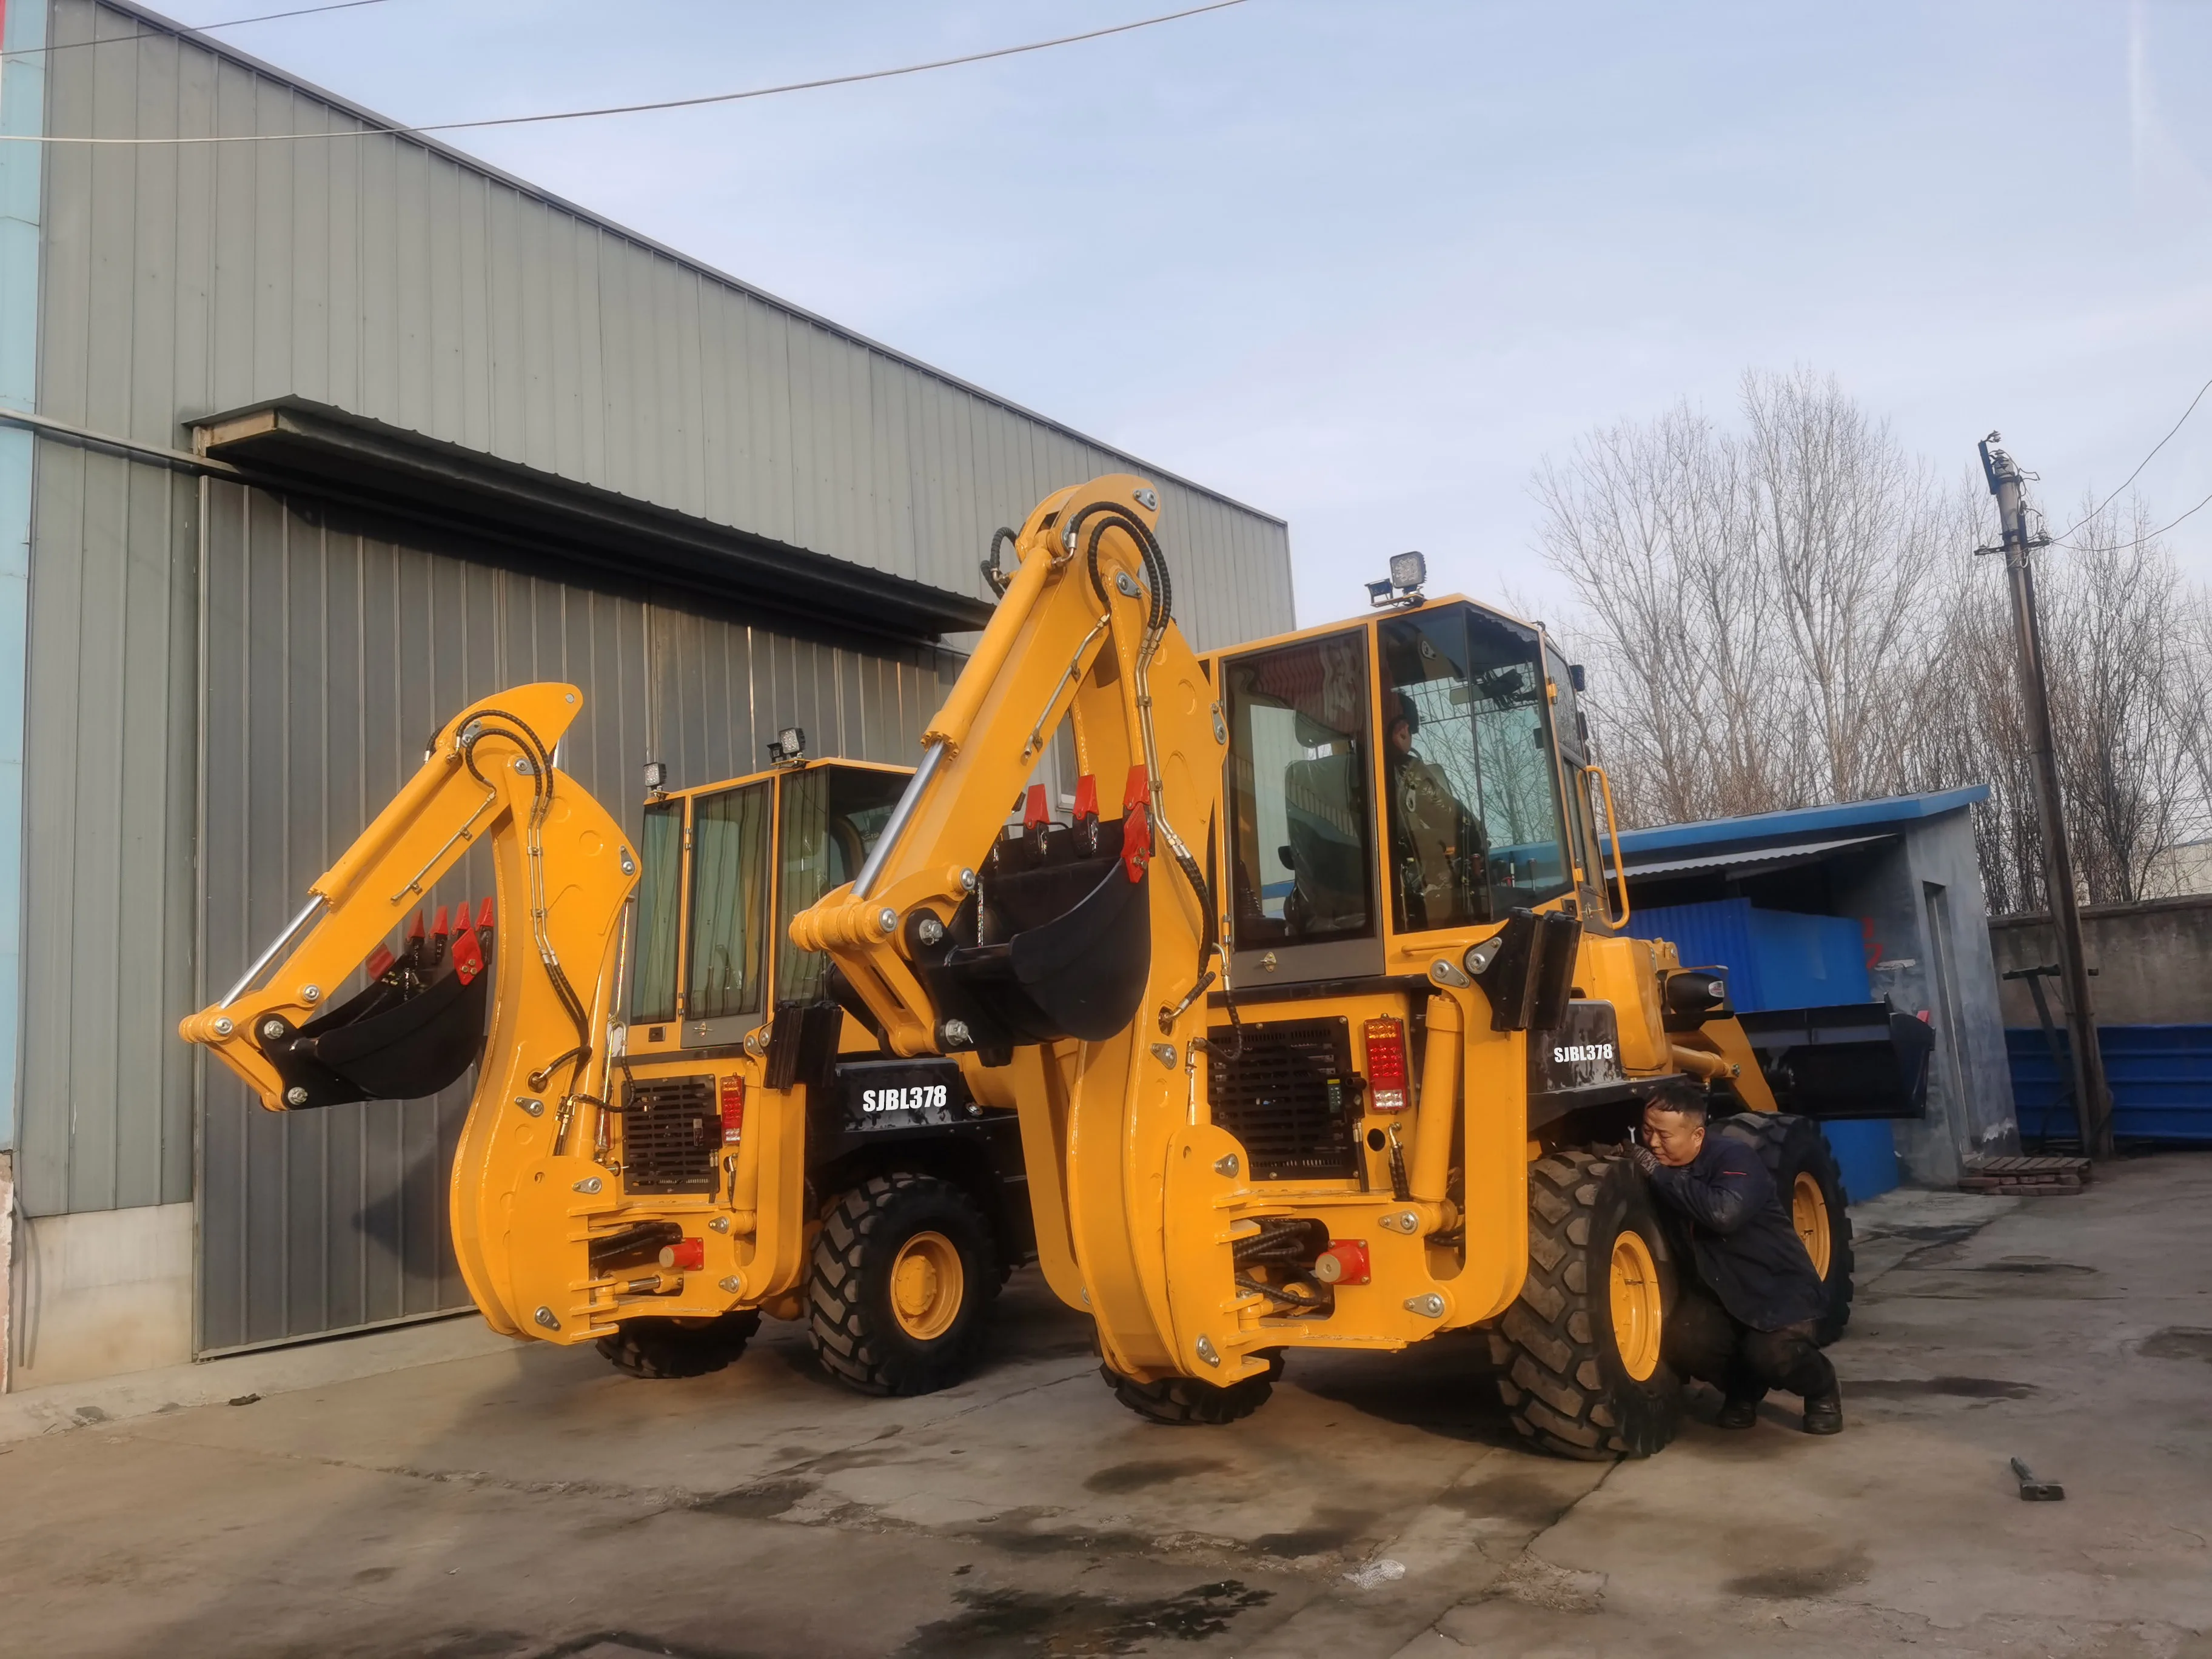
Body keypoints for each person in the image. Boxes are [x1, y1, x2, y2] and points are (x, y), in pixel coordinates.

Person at [1627, 1082, 1844, 1434]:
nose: (1652, 1143)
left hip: (1777, 1289)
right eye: (1647, 1130)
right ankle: (1744, 1390)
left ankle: (1822, 1388)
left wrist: (1658, 1174)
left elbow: (1723, 1213)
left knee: (1773, 1353)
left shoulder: (1734, 1157)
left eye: (1664, 1136)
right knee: (1685, 1341)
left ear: (1697, 1135)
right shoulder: (1667, 1164)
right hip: (1722, 1290)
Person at [1384, 692, 1487, 928]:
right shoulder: (1408, 774)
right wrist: (1479, 847)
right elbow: (1460, 823)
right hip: (1407, 907)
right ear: (1402, 729)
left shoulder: (1335, 776)